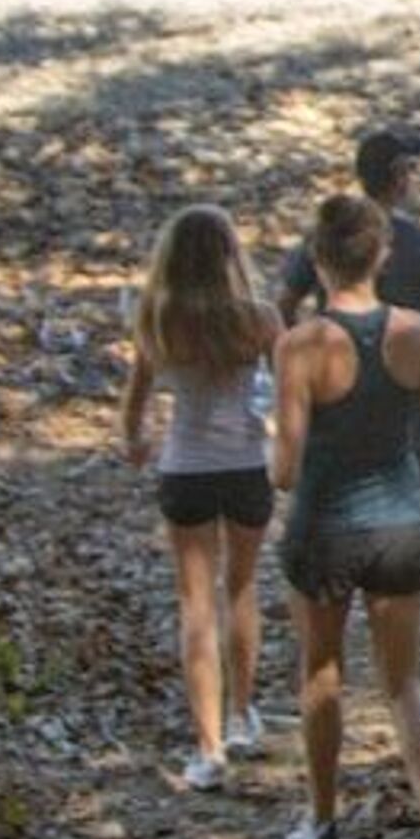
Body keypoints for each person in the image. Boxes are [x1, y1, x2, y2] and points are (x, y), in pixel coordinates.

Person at [271, 192, 420, 839]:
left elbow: (284, 470)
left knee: (321, 673)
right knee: (404, 683)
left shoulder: (299, 346)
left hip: (323, 529)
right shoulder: (414, 333)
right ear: (381, 255)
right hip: (400, 526)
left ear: (317, 259)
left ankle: (322, 821)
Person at [116, 205, 277, 791]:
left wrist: (136, 442)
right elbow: (288, 388)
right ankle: (242, 713)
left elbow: (135, 404)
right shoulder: (259, 319)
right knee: (242, 588)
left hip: (185, 468)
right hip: (246, 463)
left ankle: (208, 748)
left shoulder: (157, 319)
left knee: (196, 605)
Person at [277, 126, 420, 405]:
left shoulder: (329, 232)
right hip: (401, 393)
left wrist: (299, 369)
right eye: (409, 170)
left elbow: (284, 305)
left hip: (333, 379)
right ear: (399, 178)